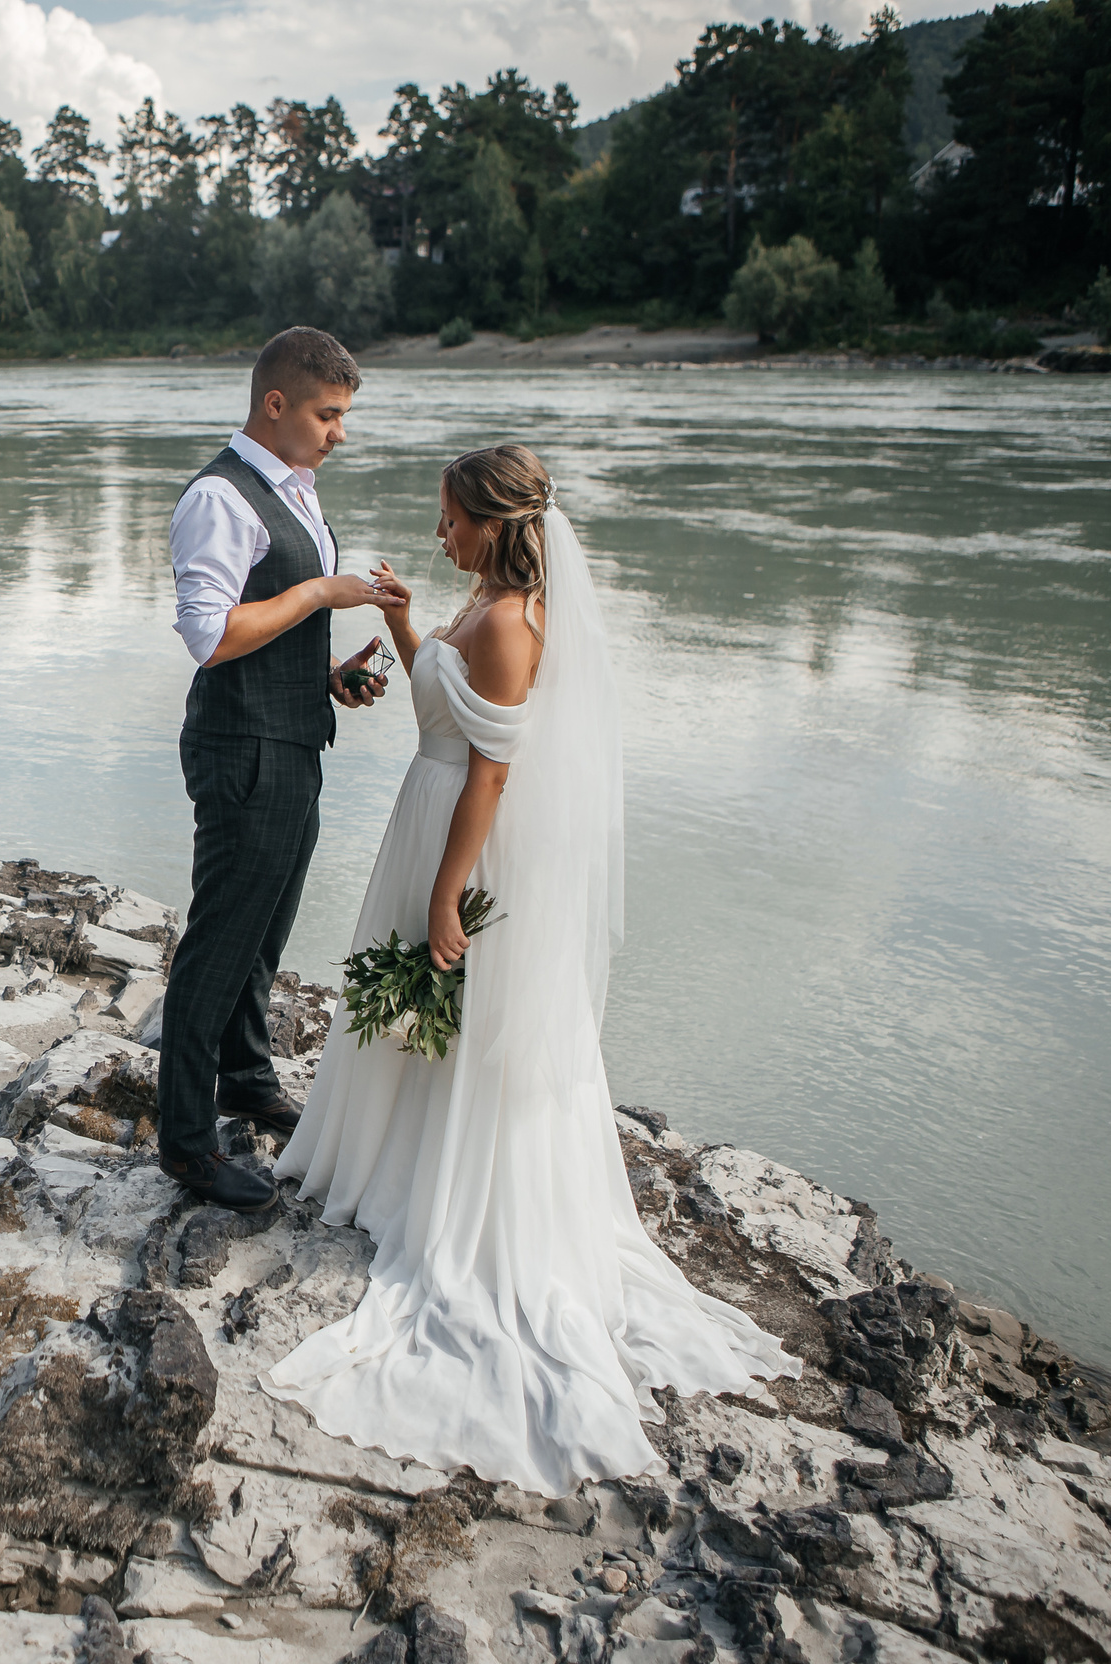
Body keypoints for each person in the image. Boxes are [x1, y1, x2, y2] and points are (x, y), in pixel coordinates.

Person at [260, 445, 797, 1494]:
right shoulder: (478, 603)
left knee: (458, 1016)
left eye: (451, 518)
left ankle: (452, 1200)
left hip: (464, 842)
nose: (439, 533)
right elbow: (444, 707)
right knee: (421, 1023)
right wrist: (405, 626)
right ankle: (392, 1165)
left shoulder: (512, 624)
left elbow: (491, 776)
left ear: (497, 523)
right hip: (427, 817)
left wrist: (445, 893)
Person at [157, 327, 406, 1212]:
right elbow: (210, 635)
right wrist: (319, 594)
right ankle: (186, 1143)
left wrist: (328, 672)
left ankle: (246, 1078)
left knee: (265, 929)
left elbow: (268, 626)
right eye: (328, 414)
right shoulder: (221, 498)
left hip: (292, 738)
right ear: (276, 404)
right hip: (243, 749)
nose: (340, 432)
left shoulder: (293, 488)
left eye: (343, 416)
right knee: (221, 939)